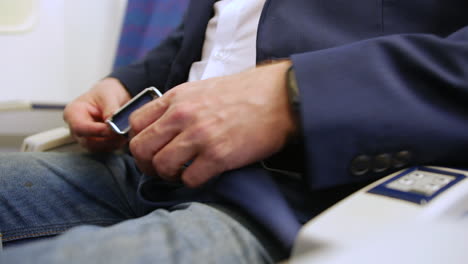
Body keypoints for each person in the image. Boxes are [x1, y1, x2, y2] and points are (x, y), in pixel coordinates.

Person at [2, 0, 468, 263]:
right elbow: (210, 40)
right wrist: (124, 81)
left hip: (298, 189)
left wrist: (292, 96)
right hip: (149, 161)